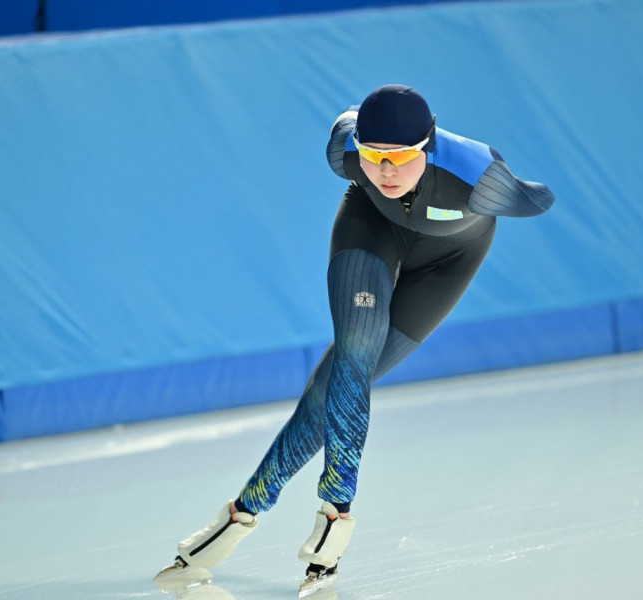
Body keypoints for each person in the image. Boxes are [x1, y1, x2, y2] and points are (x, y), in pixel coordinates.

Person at [155, 84, 555, 593]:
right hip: (371, 229)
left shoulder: (479, 177)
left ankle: (240, 513)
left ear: (428, 146)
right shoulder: (344, 150)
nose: (386, 171)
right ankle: (334, 515)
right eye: (373, 155)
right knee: (353, 358)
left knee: (332, 389)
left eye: (401, 157)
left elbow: (539, 197)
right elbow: (350, 121)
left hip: (449, 261)